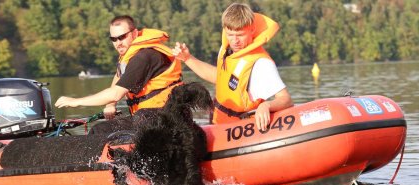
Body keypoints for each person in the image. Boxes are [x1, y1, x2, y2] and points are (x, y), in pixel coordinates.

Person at [172, 3, 292, 131]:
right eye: (230, 35)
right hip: (218, 125)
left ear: (252, 30)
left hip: (243, 131)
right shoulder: (226, 50)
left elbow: (286, 99)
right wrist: (188, 58)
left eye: (240, 35)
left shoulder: (261, 63)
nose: (235, 41)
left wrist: (266, 106)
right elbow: (219, 77)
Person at [54, 15, 183, 134]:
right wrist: (110, 104)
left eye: (122, 37)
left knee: (99, 131)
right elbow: (119, 76)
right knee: (105, 129)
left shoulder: (143, 57)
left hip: (163, 118)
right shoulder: (128, 56)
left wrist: (76, 102)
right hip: (149, 115)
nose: (118, 42)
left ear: (134, 33)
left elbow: (116, 94)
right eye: (113, 39)